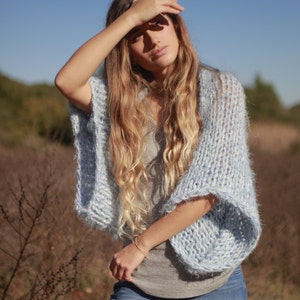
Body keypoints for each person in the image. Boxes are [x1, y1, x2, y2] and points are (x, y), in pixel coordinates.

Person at [55, 0, 261, 299]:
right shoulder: (121, 105)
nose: (152, 39)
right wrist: (130, 17)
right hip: (142, 280)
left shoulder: (221, 90)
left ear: (177, 28)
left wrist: (139, 246)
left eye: (157, 24)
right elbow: (67, 81)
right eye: (137, 35)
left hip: (214, 280)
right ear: (128, 53)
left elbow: (208, 192)